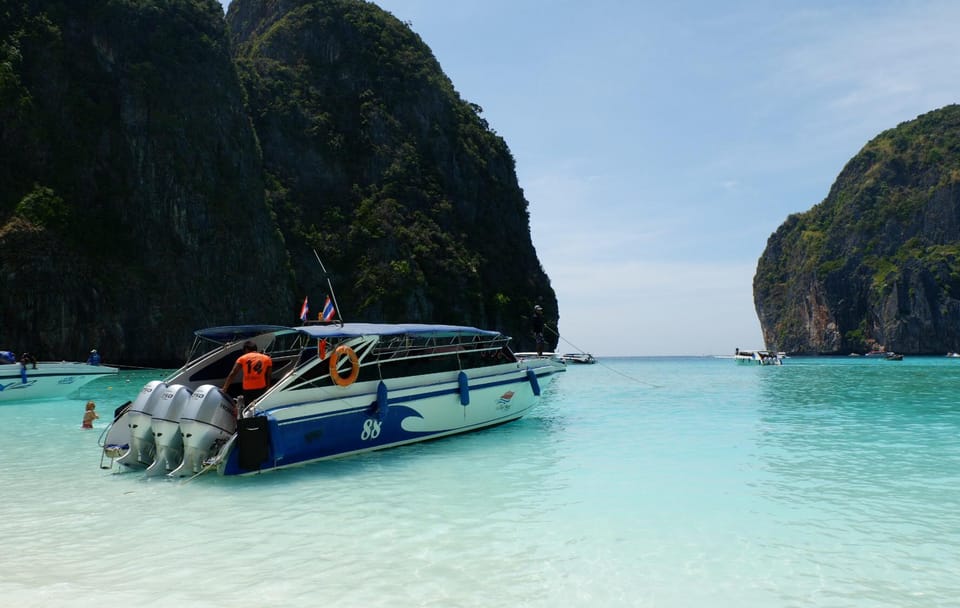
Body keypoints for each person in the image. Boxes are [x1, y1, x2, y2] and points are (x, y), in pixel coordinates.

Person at [222, 341, 273, 405]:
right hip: (261, 387)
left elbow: (233, 373)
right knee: (260, 407)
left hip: (248, 389)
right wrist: (267, 387)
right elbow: (268, 375)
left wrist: (225, 388)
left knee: (248, 408)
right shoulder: (267, 358)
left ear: (246, 349)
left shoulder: (242, 358)